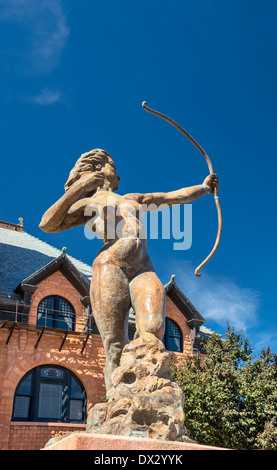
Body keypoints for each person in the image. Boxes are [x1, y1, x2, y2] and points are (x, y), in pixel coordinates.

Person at [39, 148, 219, 390]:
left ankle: (146, 392)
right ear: (99, 168)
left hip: (143, 269)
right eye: (113, 166)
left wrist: (204, 188)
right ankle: (115, 402)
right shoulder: (86, 204)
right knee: (114, 345)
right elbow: (47, 224)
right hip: (110, 267)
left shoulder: (133, 197)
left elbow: (170, 197)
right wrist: (78, 189)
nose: (118, 175)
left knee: (153, 328)